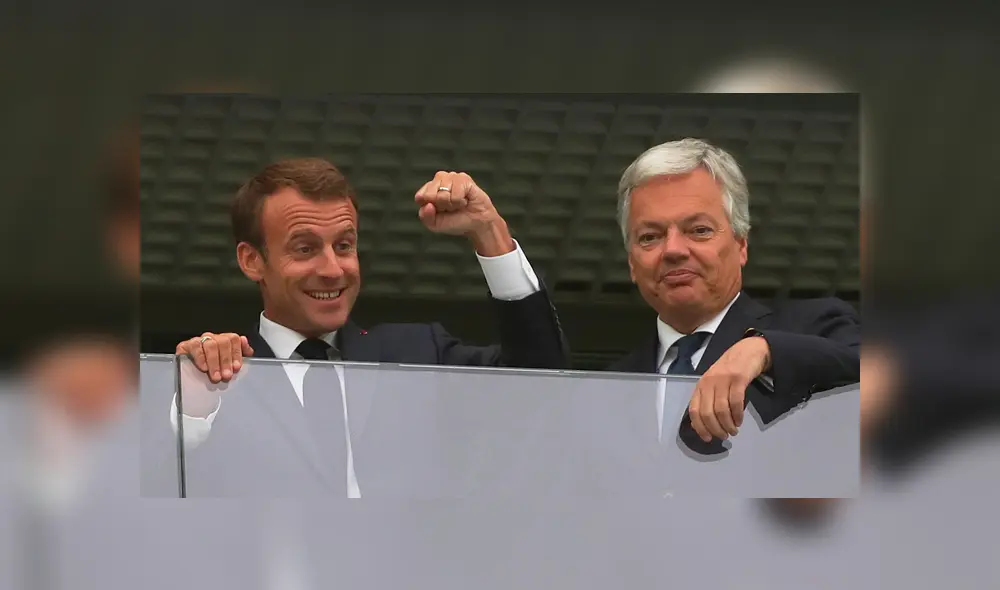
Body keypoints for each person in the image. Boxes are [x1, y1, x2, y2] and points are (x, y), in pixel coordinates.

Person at [168, 157, 568, 497]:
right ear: (252, 261)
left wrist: (489, 230)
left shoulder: (418, 353)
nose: (333, 269)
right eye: (305, 248)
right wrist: (194, 408)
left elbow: (540, 381)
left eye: (344, 246)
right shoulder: (219, 377)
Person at [608, 138, 860, 451]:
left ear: (741, 245)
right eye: (650, 237)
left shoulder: (813, 326)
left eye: (699, 230)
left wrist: (763, 349)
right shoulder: (604, 389)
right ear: (632, 262)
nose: (672, 250)